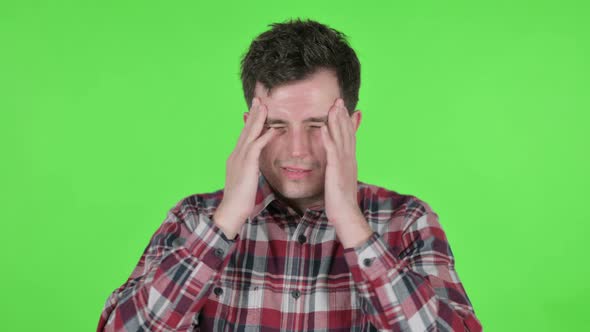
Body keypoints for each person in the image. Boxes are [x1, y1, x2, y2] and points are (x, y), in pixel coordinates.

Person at [97, 18, 482, 331]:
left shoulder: (407, 221)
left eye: (317, 125)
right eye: (278, 126)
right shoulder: (194, 219)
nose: (298, 149)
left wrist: (351, 221)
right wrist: (224, 223)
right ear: (250, 127)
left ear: (352, 125)